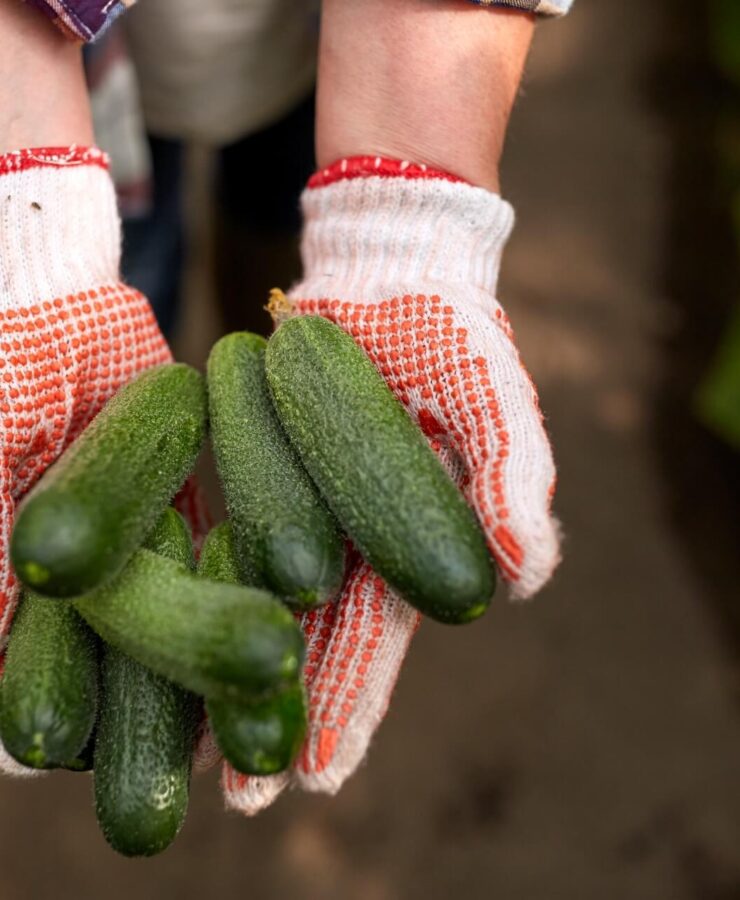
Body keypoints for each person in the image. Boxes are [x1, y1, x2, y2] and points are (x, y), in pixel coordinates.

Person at [0, 0, 570, 813]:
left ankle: (253, 329)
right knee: (140, 250)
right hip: (81, 64)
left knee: (271, 210)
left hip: (325, 47)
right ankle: (170, 334)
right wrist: (23, 200)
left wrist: (406, 173)